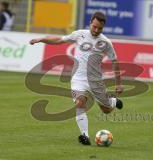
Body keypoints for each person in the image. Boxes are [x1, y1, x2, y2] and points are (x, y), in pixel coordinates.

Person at [29, 12, 124, 145]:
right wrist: (41, 39)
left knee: (106, 110)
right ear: (91, 22)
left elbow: (115, 62)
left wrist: (118, 84)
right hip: (78, 79)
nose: (96, 30)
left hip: (95, 80)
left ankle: (113, 102)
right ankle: (85, 136)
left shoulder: (106, 42)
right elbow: (59, 40)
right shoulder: (80, 34)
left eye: (100, 28)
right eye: (94, 27)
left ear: (103, 27)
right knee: (79, 103)